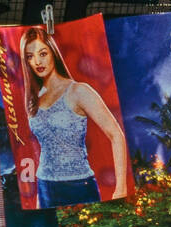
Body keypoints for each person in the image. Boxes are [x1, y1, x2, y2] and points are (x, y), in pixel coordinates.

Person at [19, 26, 127, 208]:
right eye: (30, 56)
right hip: (45, 187)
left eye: (43, 53)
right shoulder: (34, 99)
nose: (37, 61)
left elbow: (116, 135)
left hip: (79, 186)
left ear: (53, 52)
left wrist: (121, 188)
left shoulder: (78, 91)